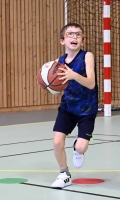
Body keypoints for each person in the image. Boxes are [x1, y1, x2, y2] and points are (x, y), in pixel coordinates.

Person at [50, 23, 98, 188]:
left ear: (82, 41)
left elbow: (91, 83)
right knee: (57, 142)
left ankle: (77, 150)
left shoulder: (87, 56)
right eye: (70, 34)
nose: (74, 37)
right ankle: (64, 174)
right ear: (62, 41)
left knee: (81, 147)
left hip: (87, 109)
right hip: (67, 108)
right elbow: (55, 86)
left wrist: (73, 75)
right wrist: (50, 85)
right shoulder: (58, 62)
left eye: (78, 35)